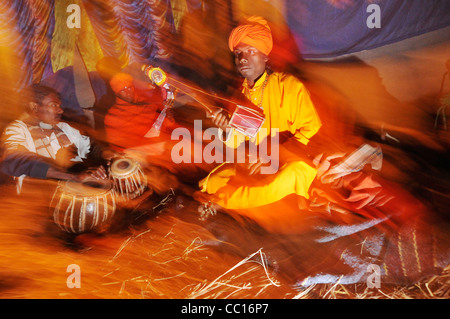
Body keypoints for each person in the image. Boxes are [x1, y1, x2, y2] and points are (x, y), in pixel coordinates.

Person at [195, 16, 322, 216]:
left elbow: (311, 134)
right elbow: (239, 144)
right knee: (216, 179)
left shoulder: (288, 86)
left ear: (265, 56)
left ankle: (223, 202)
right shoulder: (238, 96)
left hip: (289, 160)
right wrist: (227, 129)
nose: (243, 58)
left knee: (293, 174)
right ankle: (227, 197)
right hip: (256, 161)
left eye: (251, 51)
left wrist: (271, 155)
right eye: (238, 53)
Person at [0, 84, 115, 194]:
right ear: (34, 107)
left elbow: (89, 145)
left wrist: (106, 154)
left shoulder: (63, 127)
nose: (61, 110)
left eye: (59, 105)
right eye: (54, 105)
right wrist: (72, 176)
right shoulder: (16, 129)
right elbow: (14, 160)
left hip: (61, 198)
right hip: (33, 202)